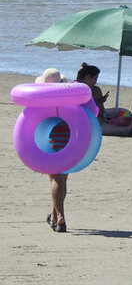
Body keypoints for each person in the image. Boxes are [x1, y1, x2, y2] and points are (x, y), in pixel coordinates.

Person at [36, 68, 70, 232]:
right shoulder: (69, 99)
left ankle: (61, 218)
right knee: (62, 180)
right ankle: (54, 214)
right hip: (70, 141)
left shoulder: (43, 100)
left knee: (55, 180)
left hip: (53, 141)